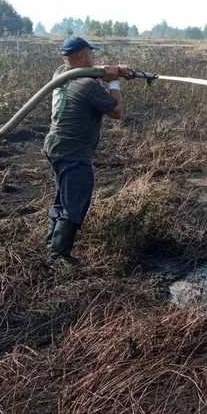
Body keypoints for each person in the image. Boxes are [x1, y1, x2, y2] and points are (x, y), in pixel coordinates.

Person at [43, 36, 128, 265]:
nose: (94, 57)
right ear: (81, 55)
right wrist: (113, 82)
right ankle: (59, 255)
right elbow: (116, 112)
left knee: (63, 197)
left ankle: (52, 246)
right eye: (91, 53)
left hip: (55, 146)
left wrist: (109, 69)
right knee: (75, 200)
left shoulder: (61, 74)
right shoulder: (87, 86)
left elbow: (86, 69)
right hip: (72, 151)